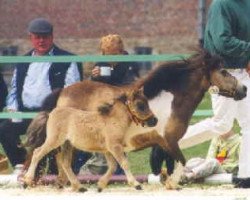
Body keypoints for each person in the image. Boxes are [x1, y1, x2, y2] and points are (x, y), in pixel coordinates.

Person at [181, 0, 250, 188]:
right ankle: (169, 141)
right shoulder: (221, 5)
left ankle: (246, 176)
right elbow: (222, 42)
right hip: (222, 73)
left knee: (249, 124)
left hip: (242, 72)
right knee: (222, 124)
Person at [0, 17, 82, 173]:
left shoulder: (68, 60)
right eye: (37, 37)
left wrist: (56, 113)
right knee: (5, 129)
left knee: (46, 139)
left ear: (52, 37)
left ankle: (47, 170)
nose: (41, 41)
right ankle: (22, 165)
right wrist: (13, 109)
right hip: (26, 113)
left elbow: (72, 92)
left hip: (52, 114)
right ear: (31, 37)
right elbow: (14, 90)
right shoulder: (22, 61)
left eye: (45, 37)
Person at [79, 34, 139, 175]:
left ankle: (109, 167)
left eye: (114, 54)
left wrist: (110, 74)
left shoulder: (129, 63)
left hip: (123, 105)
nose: (110, 58)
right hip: (103, 105)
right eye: (107, 54)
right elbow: (92, 87)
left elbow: (129, 85)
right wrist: (94, 76)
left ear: (121, 51)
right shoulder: (101, 63)